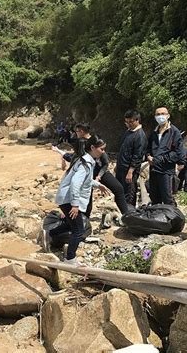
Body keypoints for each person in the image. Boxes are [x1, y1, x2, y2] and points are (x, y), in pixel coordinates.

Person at [44, 136, 108, 264]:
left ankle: (49, 233)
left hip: (65, 197)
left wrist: (97, 185)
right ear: (92, 148)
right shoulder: (86, 163)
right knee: (78, 230)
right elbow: (75, 183)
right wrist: (75, 205)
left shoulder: (84, 160)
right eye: (101, 149)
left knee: (70, 224)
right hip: (68, 200)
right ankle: (70, 258)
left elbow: (86, 179)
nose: (103, 152)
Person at [146, 107, 184, 205]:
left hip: (166, 171)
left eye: (163, 113)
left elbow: (177, 153)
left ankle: (172, 218)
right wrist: (148, 156)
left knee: (167, 198)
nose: (160, 116)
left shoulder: (174, 132)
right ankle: (157, 218)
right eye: (158, 114)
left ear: (168, 115)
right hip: (153, 169)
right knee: (154, 197)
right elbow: (148, 148)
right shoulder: (154, 132)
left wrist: (160, 159)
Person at [115, 110, 148, 206]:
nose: (128, 124)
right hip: (121, 167)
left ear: (137, 120)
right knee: (120, 191)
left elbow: (138, 156)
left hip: (129, 170)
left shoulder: (140, 135)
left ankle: (129, 214)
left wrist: (130, 171)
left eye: (131, 122)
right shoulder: (128, 132)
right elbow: (122, 150)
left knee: (129, 193)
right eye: (126, 122)